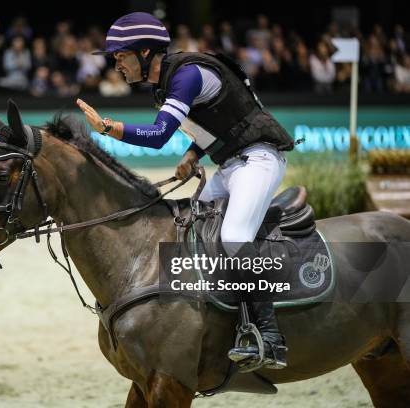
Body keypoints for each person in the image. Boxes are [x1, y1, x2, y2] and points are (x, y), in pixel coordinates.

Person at [76, 12, 294, 370]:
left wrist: (106, 127)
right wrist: (193, 153)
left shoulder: (186, 74)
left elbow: (159, 135)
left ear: (145, 52)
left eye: (120, 56)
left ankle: (269, 337)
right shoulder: (168, 82)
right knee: (188, 225)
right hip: (231, 165)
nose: (116, 65)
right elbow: (223, 121)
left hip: (258, 161)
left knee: (236, 235)